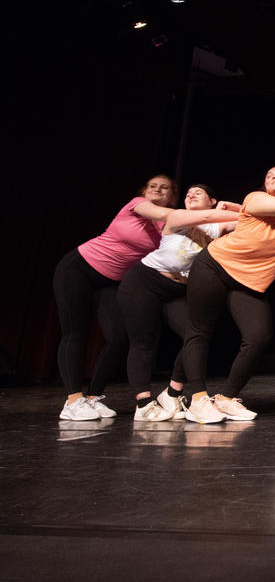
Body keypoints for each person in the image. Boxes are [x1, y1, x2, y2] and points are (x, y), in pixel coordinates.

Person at [180, 166, 275, 424]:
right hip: (214, 264)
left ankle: (226, 398)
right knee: (199, 331)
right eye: (268, 175)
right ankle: (198, 399)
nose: (274, 176)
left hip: (249, 282)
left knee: (259, 336)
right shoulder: (256, 198)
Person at [54, 175, 177, 420]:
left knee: (118, 338)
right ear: (144, 191)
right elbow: (165, 214)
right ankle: (72, 400)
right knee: (75, 332)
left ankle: (93, 397)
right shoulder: (137, 204)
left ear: (172, 197)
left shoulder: (167, 227)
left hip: (111, 281)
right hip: (79, 268)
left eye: (165, 188)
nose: (157, 189)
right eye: (153, 186)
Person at [119, 184, 240, 421]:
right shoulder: (177, 216)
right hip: (145, 281)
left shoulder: (219, 225)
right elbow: (207, 215)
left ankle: (172, 393)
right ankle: (143, 404)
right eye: (188, 193)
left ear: (213, 200)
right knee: (143, 342)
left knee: (194, 336)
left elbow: (251, 221)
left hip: (177, 289)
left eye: (198, 193)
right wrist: (235, 210)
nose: (190, 195)